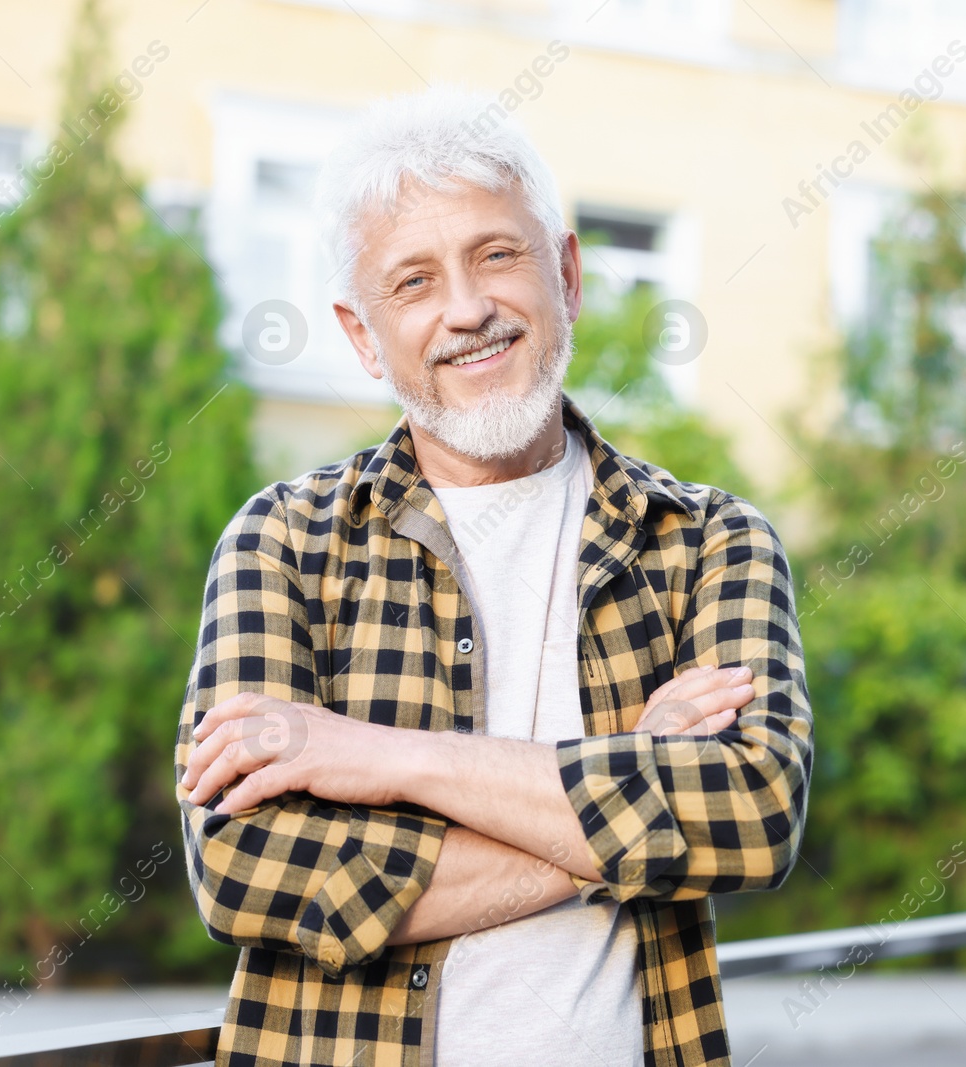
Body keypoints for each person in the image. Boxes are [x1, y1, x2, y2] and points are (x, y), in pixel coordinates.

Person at [176, 85, 813, 1067]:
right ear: (361, 334)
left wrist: (379, 756)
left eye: (496, 255)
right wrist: (626, 782)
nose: (468, 308)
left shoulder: (708, 541)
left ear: (566, 271)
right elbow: (245, 871)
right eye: (414, 282)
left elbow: (751, 813)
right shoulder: (282, 543)